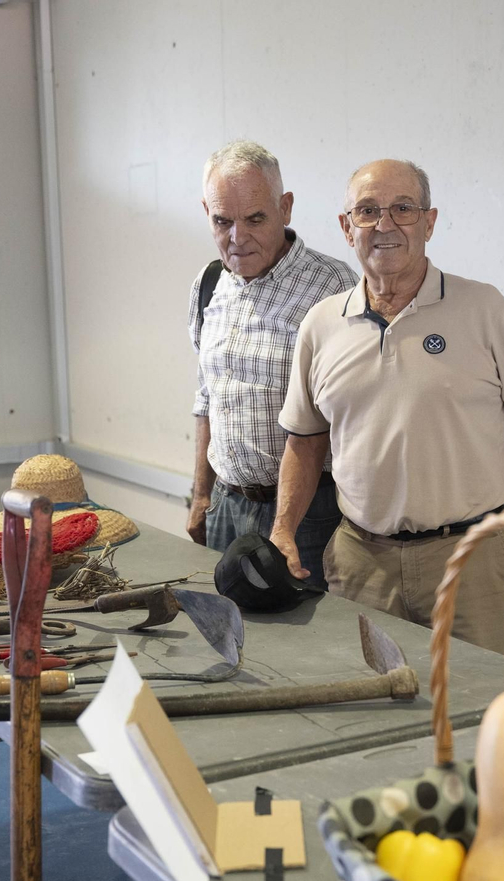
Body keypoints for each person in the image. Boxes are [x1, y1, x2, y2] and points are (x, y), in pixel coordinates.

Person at [270, 159, 504, 658]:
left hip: (470, 562)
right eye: (367, 211)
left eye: (402, 209)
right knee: (373, 712)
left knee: (478, 711)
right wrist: (283, 529)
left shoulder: (487, 311)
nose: (385, 225)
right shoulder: (321, 326)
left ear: (428, 222)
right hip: (360, 562)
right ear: (346, 228)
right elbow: (304, 441)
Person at [187, 140, 357, 589]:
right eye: (222, 221)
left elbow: (352, 416)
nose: (237, 237)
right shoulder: (208, 285)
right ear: (207, 212)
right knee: (227, 638)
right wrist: (201, 495)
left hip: (313, 514)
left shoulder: (334, 287)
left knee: (310, 651)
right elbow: (207, 396)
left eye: (255, 219)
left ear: (285, 208)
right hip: (226, 507)